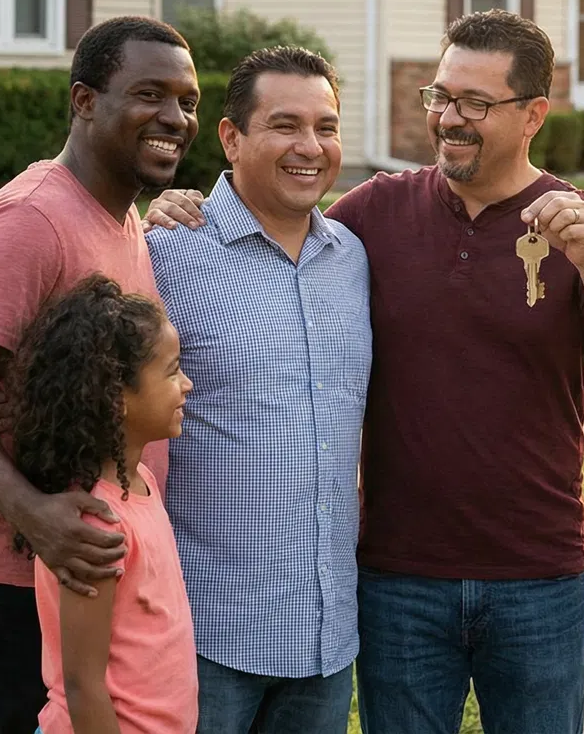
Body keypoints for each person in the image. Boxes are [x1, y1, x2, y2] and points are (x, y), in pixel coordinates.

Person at [148, 9, 584, 734]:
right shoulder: (375, 215)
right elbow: (282, 216)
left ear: (534, 115)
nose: (450, 119)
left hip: (538, 575)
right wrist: (185, 204)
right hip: (398, 579)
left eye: (476, 104)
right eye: (441, 97)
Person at [0, 17, 200, 732]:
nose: (174, 117)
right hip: (5, 580)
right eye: (150, 94)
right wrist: (32, 513)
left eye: (188, 101)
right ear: (84, 101)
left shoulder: (121, 213)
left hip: (80, 576)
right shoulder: (32, 218)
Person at [146, 47, 371, 733]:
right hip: (206, 638)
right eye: (285, 125)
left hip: (328, 641)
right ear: (231, 137)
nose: (311, 147)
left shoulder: (353, 259)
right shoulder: (163, 253)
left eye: (326, 127)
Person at [10, 275, 197, 734]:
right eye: (172, 371)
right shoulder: (96, 524)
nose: (187, 384)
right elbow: (82, 685)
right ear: (117, 398)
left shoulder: (141, 482)